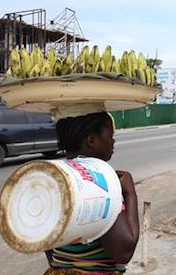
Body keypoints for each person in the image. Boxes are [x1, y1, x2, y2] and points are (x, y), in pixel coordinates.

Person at [44, 112, 140, 275]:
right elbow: (123, 251)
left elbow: (44, 240)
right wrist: (130, 193)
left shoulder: (53, 176)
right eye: (110, 135)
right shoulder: (100, 183)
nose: (113, 141)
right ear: (91, 141)